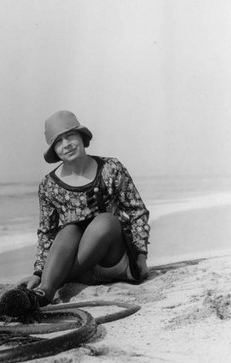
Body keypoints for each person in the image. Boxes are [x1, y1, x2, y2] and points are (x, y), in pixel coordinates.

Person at [18, 110, 150, 306]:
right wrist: (38, 272)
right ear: (54, 149)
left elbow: (136, 211)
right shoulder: (49, 185)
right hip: (84, 270)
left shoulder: (110, 168)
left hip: (114, 261)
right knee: (69, 229)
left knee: (105, 220)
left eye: (70, 136)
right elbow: (47, 233)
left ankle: (55, 280)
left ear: (81, 137)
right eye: (59, 141)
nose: (67, 144)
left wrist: (141, 255)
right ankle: (45, 291)